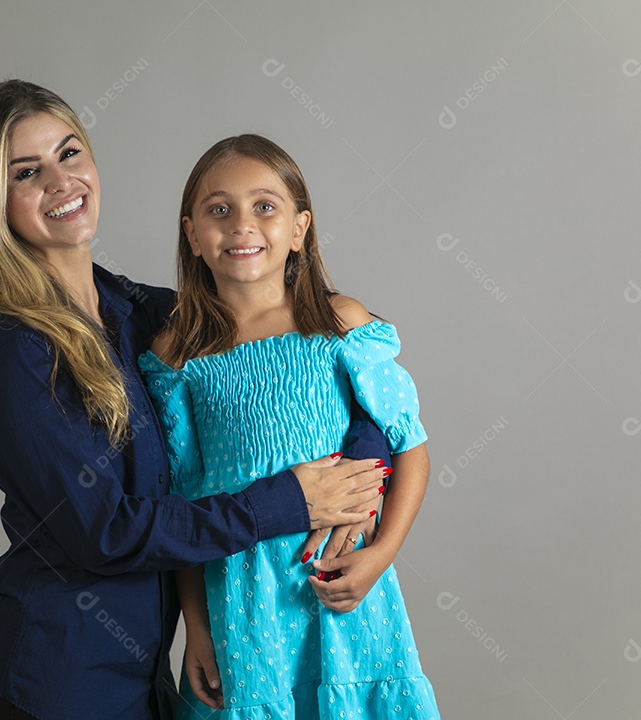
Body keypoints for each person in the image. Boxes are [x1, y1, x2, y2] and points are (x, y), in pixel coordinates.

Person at [0, 80, 393, 720]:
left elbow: (316, 344)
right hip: (48, 691)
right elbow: (107, 532)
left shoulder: (138, 313)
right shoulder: (16, 355)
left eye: (69, 154)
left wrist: (361, 476)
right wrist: (292, 500)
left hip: (139, 686)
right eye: (26, 172)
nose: (61, 181)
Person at [139, 134, 441, 718]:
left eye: (265, 207)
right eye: (218, 210)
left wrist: (380, 556)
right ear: (192, 235)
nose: (241, 225)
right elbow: (183, 501)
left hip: (339, 585)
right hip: (242, 594)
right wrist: (196, 630)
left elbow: (411, 449)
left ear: (300, 228)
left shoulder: (339, 324)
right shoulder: (179, 357)